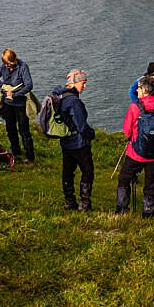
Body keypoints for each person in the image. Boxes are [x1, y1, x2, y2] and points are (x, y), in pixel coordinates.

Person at [116, 75, 154, 218]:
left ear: (144, 90)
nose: (137, 90)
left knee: (124, 179)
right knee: (150, 183)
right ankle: (148, 213)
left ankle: (122, 209)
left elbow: (126, 131)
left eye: (139, 88)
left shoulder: (135, 107)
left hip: (136, 152)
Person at [57, 69, 95, 211]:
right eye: (83, 83)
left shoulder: (61, 97)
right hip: (79, 143)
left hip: (65, 141)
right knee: (87, 171)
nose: (84, 86)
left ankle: (69, 201)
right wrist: (91, 134)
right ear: (74, 82)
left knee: (67, 171)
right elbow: (81, 126)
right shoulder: (74, 101)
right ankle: (84, 204)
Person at [0, 48, 35, 164]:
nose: (9, 67)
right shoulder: (3, 67)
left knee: (24, 130)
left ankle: (30, 156)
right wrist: (3, 86)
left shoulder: (23, 66)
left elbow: (29, 85)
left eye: (11, 65)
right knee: (10, 128)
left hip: (20, 103)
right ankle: (16, 152)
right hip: (7, 103)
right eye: (7, 65)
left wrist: (15, 94)